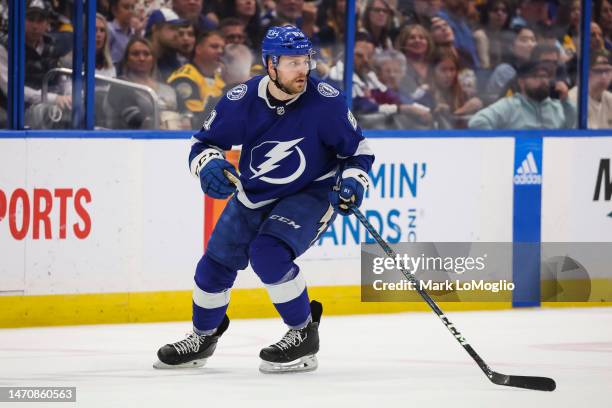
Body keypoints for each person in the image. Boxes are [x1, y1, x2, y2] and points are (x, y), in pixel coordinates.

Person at [154, 25, 374, 373]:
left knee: (268, 253)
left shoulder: (327, 102)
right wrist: (208, 165)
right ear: (270, 64)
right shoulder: (240, 100)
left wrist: (353, 180)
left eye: (306, 61)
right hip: (255, 193)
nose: (303, 70)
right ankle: (203, 336)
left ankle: (303, 334)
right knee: (213, 267)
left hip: (311, 191)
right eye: (292, 63)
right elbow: (204, 145)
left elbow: (357, 151)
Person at [468, 60, 576, 129]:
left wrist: (566, 101)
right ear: (521, 82)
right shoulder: (509, 105)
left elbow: (575, 128)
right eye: (536, 77)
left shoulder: (557, 107)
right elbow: (477, 122)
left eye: (546, 77)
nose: (543, 81)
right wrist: (502, 143)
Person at [105, 37, 184, 129]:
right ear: (127, 60)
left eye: (146, 54)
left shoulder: (168, 89)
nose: (141, 58)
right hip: (132, 140)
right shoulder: (120, 85)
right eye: (135, 54)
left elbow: (188, 113)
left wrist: (186, 119)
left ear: (153, 59)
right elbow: (134, 120)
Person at [167, 31, 226, 126]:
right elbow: (194, 119)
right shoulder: (184, 78)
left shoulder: (220, 79)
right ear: (198, 49)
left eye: (222, 48)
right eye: (214, 47)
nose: (220, 51)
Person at [569, 51, 612, 129]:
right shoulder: (574, 98)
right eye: (598, 71)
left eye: (608, 71)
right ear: (587, 72)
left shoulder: (610, 99)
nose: (604, 76)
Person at [145, 8, 188, 81]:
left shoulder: (173, 59)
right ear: (155, 29)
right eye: (172, 28)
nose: (177, 34)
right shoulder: (139, 56)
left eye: (178, 29)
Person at [108, 0, 136, 66]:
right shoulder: (108, 30)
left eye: (132, 7)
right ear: (114, 10)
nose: (131, 11)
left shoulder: (134, 32)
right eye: (126, 7)